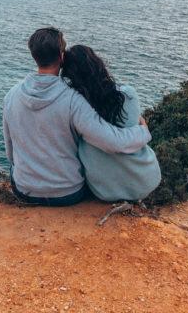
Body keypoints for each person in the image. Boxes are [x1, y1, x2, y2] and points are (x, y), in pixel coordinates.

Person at [3, 27, 152, 206]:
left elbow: (10, 151)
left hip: (24, 190)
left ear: (34, 56)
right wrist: (143, 132)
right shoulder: (73, 100)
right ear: (61, 56)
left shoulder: (11, 95)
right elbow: (113, 142)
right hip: (67, 193)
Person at [61, 44, 161, 202]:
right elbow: (126, 131)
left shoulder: (75, 105)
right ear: (97, 64)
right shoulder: (128, 94)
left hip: (105, 190)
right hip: (145, 179)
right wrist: (143, 130)